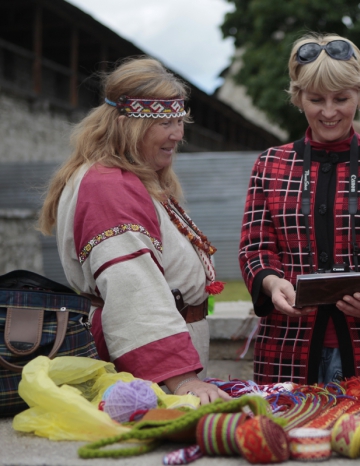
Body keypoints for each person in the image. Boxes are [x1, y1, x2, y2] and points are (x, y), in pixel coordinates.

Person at [38, 58, 230, 404]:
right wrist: (183, 381)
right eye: (165, 122)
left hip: (168, 367)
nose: (178, 134)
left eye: (179, 120)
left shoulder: (132, 178)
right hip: (151, 376)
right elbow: (133, 290)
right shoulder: (108, 187)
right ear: (128, 126)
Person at [239, 34, 360, 385]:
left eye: (342, 98)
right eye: (316, 99)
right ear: (298, 98)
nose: (329, 111)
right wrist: (272, 284)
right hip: (286, 347)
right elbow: (255, 248)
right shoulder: (270, 164)